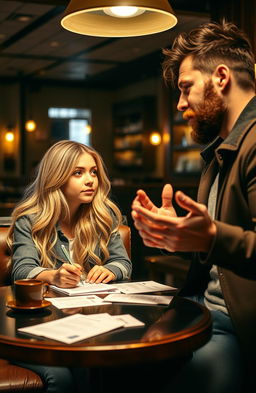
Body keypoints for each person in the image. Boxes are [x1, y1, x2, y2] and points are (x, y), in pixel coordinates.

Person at [132, 20, 256, 393]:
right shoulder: (220, 152)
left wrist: (211, 236)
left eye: (186, 88)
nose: (180, 104)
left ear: (221, 77)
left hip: (236, 327)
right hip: (203, 309)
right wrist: (179, 235)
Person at [8, 140, 132, 393]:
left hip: (91, 324)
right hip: (39, 329)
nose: (90, 180)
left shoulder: (103, 218)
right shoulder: (30, 221)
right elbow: (21, 270)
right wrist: (53, 275)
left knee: (113, 368)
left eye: (93, 171)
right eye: (78, 172)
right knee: (65, 376)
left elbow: (123, 263)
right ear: (57, 177)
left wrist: (112, 270)